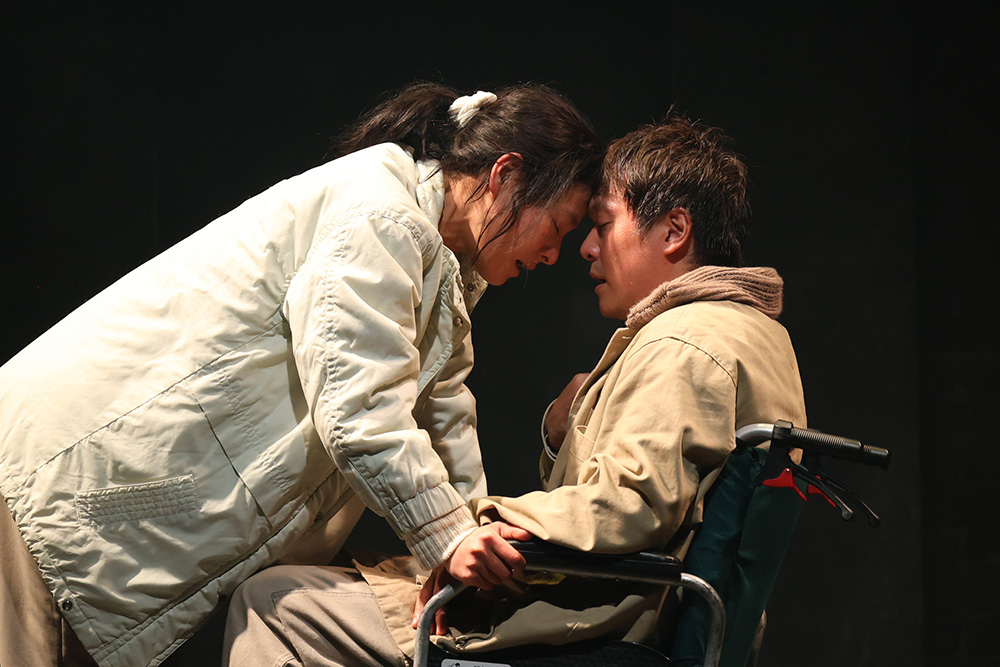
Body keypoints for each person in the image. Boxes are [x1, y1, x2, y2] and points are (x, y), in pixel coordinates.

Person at [0, 82, 603, 667]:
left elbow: (443, 412)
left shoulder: (438, 262)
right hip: (57, 480)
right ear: (504, 175)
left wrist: (470, 542)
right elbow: (359, 408)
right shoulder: (381, 216)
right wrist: (448, 538)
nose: (553, 256)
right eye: (558, 226)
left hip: (90, 491)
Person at [221, 114, 808, 666]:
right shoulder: (752, 335)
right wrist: (562, 434)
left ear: (674, 231)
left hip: (592, 623)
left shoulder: (684, 342)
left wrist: (476, 525)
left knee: (272, 602)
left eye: (604, 224)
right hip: (631, 612)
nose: (586, 247)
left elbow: (631, 508)